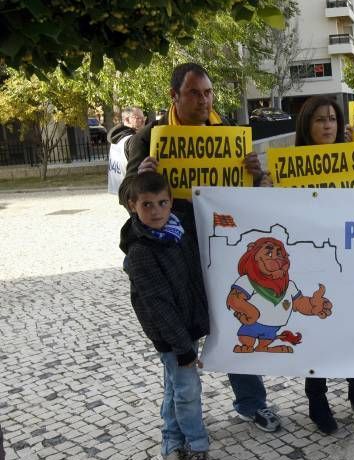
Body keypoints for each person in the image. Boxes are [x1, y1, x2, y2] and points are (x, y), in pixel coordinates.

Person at [118, 63, 283, 435]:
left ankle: (251, 403)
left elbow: (244, 195)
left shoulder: (226, 134)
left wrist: (254, 174)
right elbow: (125, 196)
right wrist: (139, 176)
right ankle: (178, 427)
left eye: (208, 92)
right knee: (178, 333)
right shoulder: (148, 138)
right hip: (172, 251)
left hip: (220, 245)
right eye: (195, 93)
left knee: (237, 315)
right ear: (174, 96)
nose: (204, 100)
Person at [293, 96, 354, 434]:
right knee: (315, 331)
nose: (328, 125)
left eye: (332, 119)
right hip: (312, 262)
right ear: (307, 126)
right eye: (320, 119)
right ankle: (317, 398)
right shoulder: (290, 165)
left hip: (352, 259)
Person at [120, 172, 211, 460]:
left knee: (175, 386)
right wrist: (184, 349)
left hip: (188, 328)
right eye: (147, 205)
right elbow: (159, 308)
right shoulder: (141, 252)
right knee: (187, 390)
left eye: (162, 203)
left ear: (171, 201)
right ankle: (197, 446)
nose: (156, 211)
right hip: (173, 337)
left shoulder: (178, 230)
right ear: (132, 205)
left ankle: (171, 442)